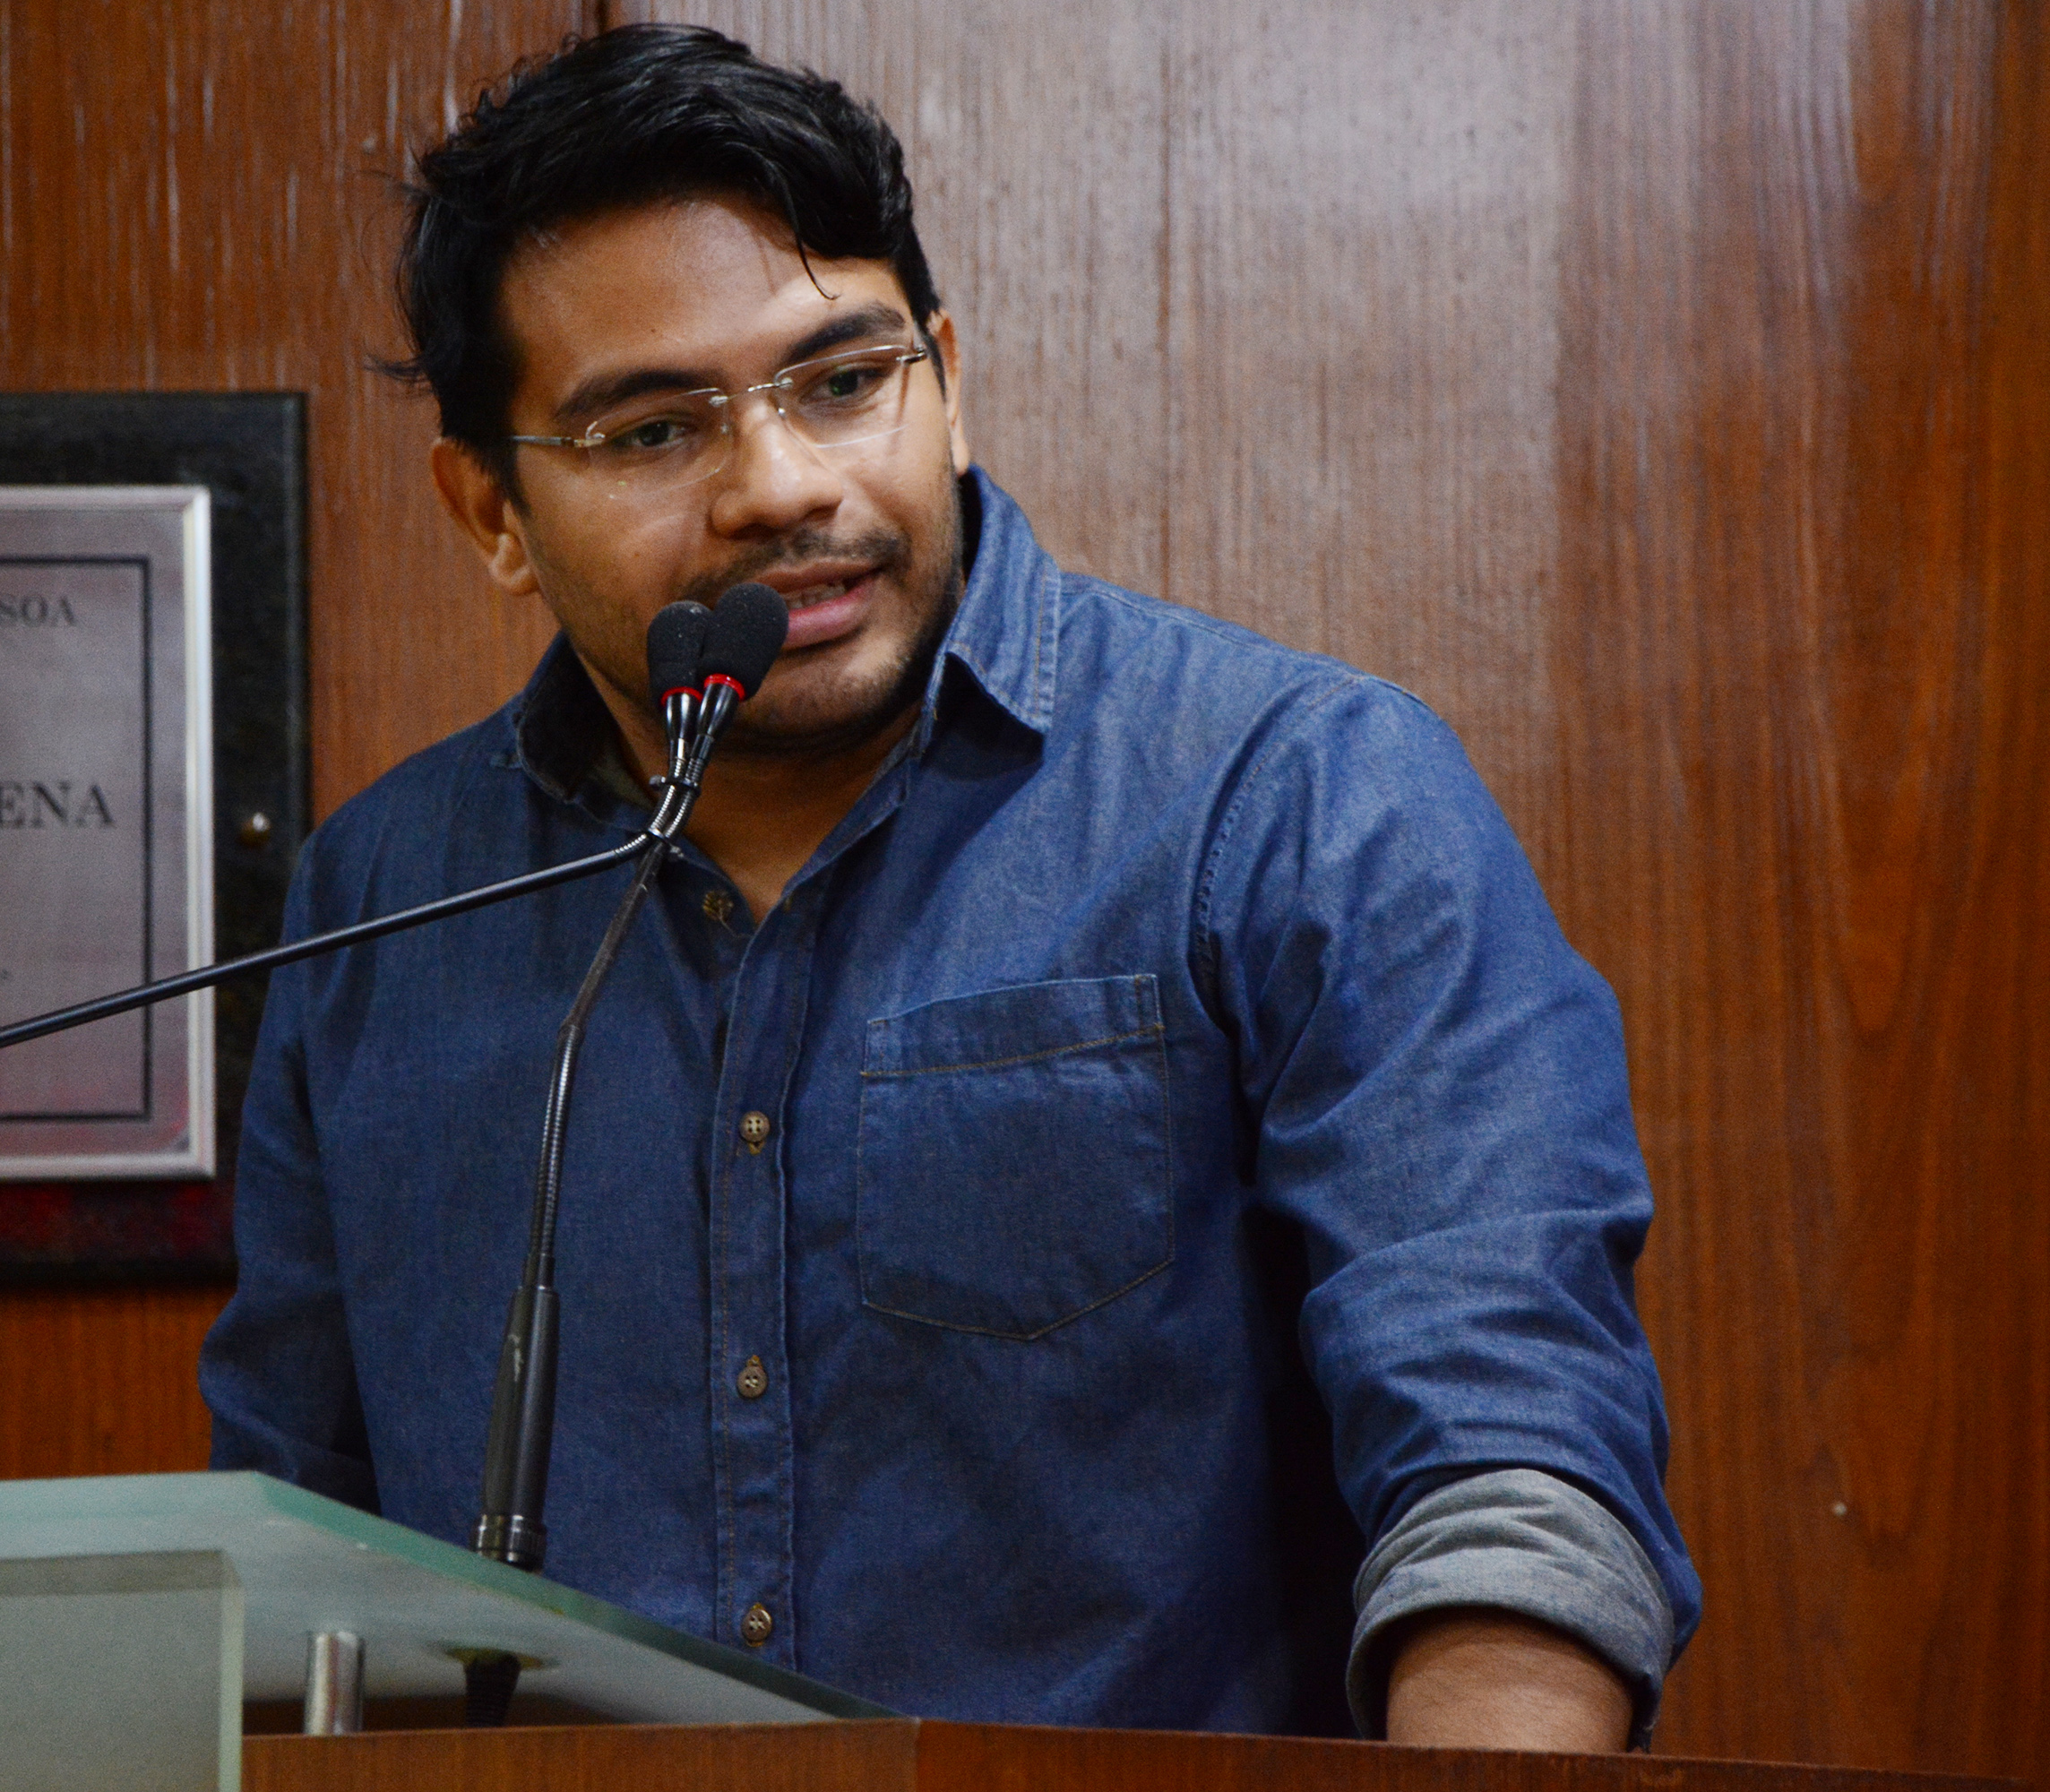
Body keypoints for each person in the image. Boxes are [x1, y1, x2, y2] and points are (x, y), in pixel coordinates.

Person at [202, 23, 1698, 1749]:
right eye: (654, 431)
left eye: (846, 381)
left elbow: (1511, 1471)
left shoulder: (1299, 797)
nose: (785, 488)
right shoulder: (383, 898)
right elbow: (288, 1569)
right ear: (490, 513)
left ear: (951, 377)